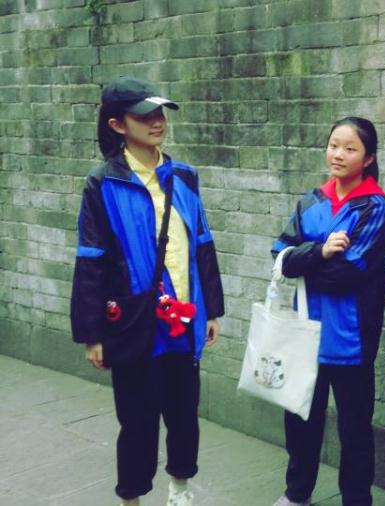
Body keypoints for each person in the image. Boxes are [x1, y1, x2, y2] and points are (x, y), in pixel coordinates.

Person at [70, 76, 225, 506]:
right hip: (135, 323)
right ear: (118, 125)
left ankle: (180, 490)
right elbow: (90, 259)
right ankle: (132, 499)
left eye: (160, 113)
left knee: (184, 415)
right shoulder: (103, 183)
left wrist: (211, 310)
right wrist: (93, 333)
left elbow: (203, 243)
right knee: (137, 422)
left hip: (183, 320)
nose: (158, 122)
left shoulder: (185, 176)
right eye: (145, 116)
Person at [271, 117, 385, 506]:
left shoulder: (375, 208)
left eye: (350, 148)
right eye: (333, 145)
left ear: (368, 158)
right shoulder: (311, 202)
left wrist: (303, 260)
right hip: (305, 332)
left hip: (351, 339)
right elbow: (280, 256)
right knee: (300, 419)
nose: (338, 154)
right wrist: (320, 250)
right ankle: (297, 493)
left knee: (354, 429)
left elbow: (350, 272)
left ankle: (356, 499)